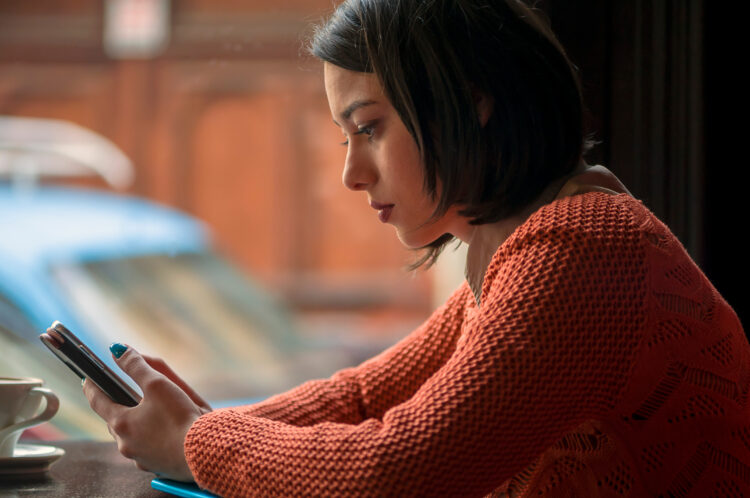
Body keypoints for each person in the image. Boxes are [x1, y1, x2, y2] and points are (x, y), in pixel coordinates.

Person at [72, 0, 749, 496]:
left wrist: (196, 441)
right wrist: (189, 423)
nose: (350, 173)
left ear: (471, 103)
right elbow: (364, 397)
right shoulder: (531, 250)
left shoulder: (581, 254)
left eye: (368, 127)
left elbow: (397, 468)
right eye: (345, 137)